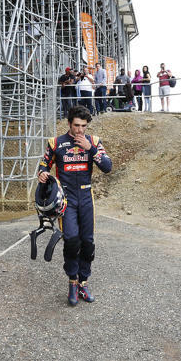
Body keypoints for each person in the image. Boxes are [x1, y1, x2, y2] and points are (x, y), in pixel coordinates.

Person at [37, 105, 112, 306]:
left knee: (87, 241)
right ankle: (72, 280)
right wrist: (42, 173)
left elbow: (107, 167)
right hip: (67, 199)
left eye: (84, 126)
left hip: (87, 197)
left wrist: (91, 149)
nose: (80, 130)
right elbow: (44, 164)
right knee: (71, 239)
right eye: (77, 125)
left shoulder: (93, 142)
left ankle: (83, 282)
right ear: (69, 123)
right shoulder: (56, 143)